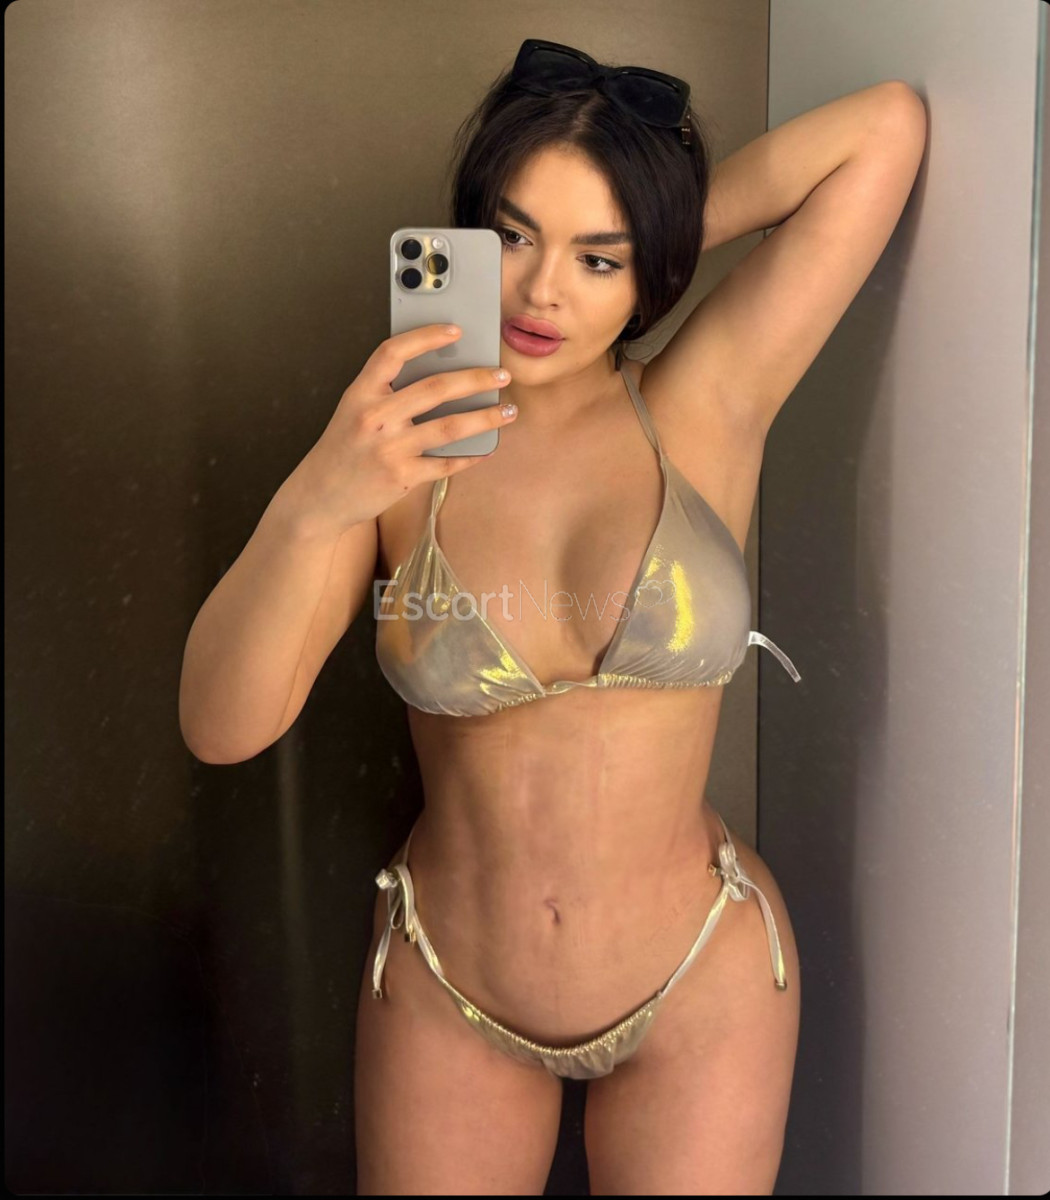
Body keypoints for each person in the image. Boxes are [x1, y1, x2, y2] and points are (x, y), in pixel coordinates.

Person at [180, 36, 925, 1197]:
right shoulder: (398, 455)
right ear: (471, 237)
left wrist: (655, 231)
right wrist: (319, 494)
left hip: (700, 979)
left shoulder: (706, 399)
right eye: (515, 237)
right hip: (450, 986)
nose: (540, 293)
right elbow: (223, 727)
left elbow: (883, 132)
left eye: (596, 256)